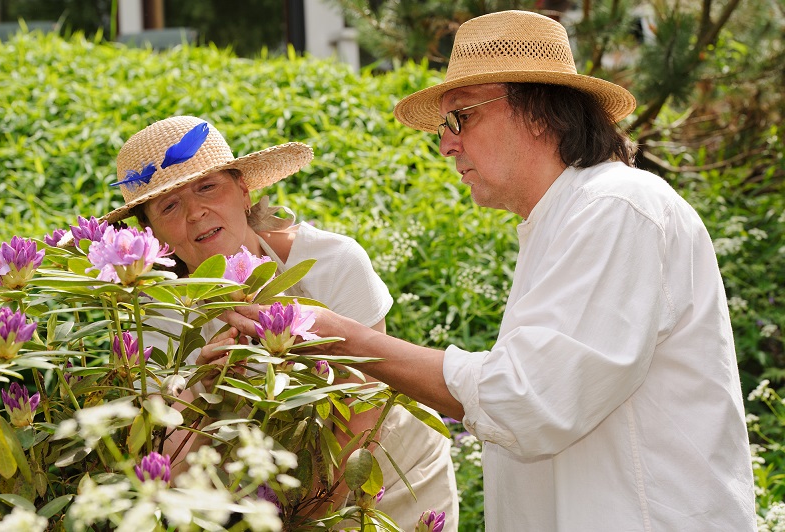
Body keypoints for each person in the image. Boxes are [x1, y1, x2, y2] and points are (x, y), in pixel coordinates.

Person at [224, 10, 757, 531]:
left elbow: (529, 400)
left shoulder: (616, 206)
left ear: (541, 111)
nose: (446, 142)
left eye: (462, 116)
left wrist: (345, 337)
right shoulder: (566, 218)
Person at [103, 115, 459, 530]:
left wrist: (304, 523)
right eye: (169, 204)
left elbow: (362, 410)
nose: (196, 211)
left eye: (208, 187)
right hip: (251, 493)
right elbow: (160, 453)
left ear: (244, 191)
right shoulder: (155, 313)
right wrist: (203, 387)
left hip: (382, 475)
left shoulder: (330, 262)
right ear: (153, 233)